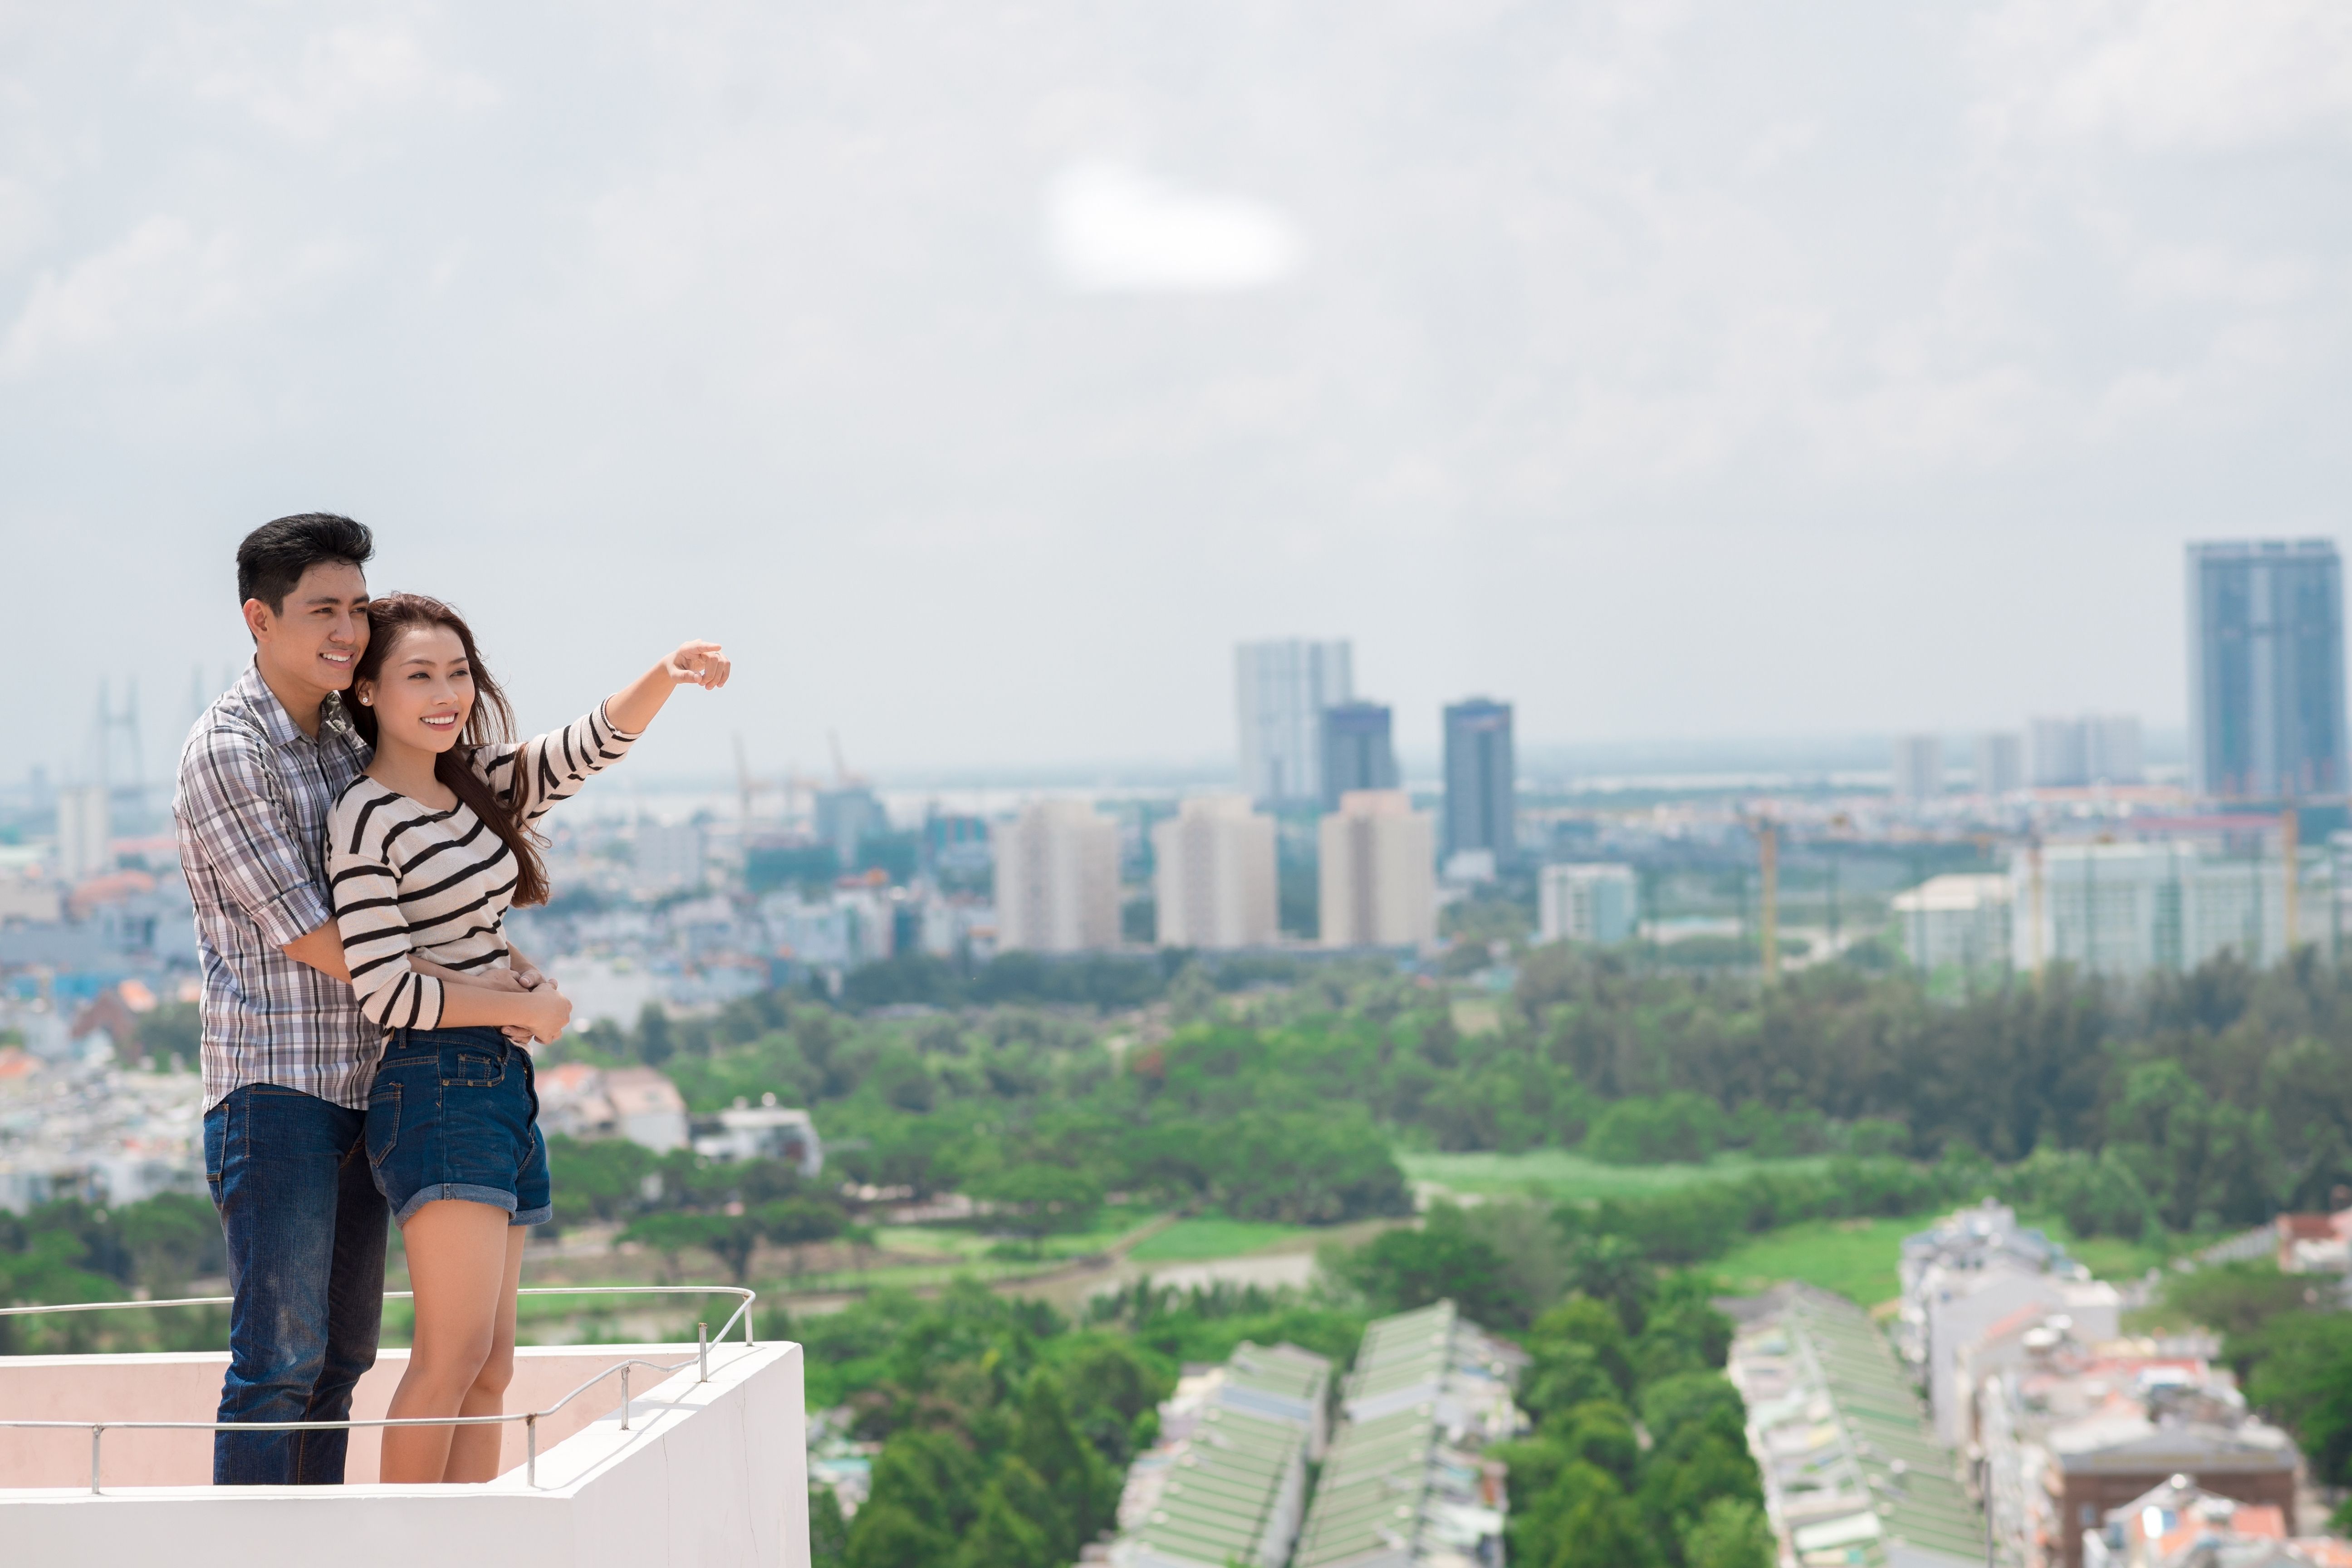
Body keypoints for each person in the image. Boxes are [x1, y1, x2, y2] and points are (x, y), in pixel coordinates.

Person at [328, 592, 729, 1483]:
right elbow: (387, 990)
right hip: (434, 1085)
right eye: (419, 676)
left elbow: (588, 745)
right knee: (451, 1355)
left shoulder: (471, 784)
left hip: (500, 1085)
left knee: (493, 1366)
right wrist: (532, 1004)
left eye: (459, 673)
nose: (447, 694)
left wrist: (665, 675)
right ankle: (407, 1552)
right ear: (365, 693)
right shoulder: (367, 814)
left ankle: (468, 1542)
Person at [175, 514, 387, 1485]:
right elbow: (307, 934)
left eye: (356, 608)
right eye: (322, 612)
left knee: (341, 1365)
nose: (347, 631)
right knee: (278, 1368)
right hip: (277, 1093)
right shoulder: (229, 750)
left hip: (363, 1090)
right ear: (260, 620)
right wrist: (456, 996)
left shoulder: (347, 737)